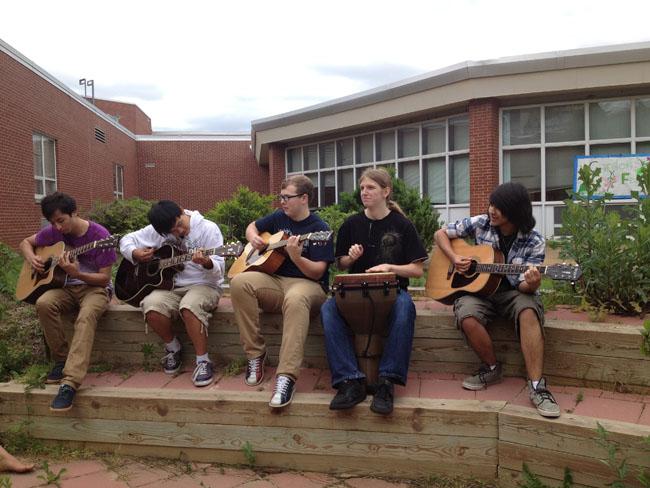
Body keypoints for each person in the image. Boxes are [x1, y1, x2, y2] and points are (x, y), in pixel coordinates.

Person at [433, 181, 560, 418]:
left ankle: (537, 387)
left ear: (514, 211)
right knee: (466, 315)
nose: (492, 210)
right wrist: (454, 257)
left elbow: (523, 285)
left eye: (498, 206)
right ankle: (492, 368)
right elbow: (440, 233)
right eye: (491, 204)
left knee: (528, 311)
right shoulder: (481, 222)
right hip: (481, 292)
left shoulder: (534, 241)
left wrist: (532, 282)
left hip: (515, 292)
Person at [320, 168, 427, 415]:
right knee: (328, 308)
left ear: (386, 192)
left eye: (370, 188)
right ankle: (349, 381)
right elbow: (341, 265)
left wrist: (390, 266)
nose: (364, 192)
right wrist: (350, 257)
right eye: (362, 188)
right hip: (356, 292)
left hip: (391, 292)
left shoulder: (402, 225)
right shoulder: (351, 224)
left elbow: (417, 269)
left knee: (405, 306)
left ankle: (387, 382)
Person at [230, 175, 334, 408]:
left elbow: (318, 272)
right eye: (281, 197)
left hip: (309, 286)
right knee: (239, 283)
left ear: (304, 198)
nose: (282, 202)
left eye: (287, 197)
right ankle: (255, 355)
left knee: (296, 298)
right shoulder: (278, 218)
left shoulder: (319, 229)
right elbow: (253, 227)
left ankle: (286, 377)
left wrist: (296, 256)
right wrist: (254, 239)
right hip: (276, 281)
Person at [19, 192, 117, 412]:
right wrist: (32, 257)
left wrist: (78, 272)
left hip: (95, 289)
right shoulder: (54, 231)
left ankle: (69, 383)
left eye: (61, 221)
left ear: (75, 213)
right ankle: (61, 360)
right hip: (64, 287)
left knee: (85, 316)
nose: (58, 227)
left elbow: (104, 279)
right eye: (53, 223)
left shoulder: (100, 236)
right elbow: (26, 242)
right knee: (44, 303)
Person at [119, 200, 225, 387]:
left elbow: (219, 270)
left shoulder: (208, 228)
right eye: (172, 232)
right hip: (171, 287)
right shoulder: (156, 230)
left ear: (181, 211)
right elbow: (126, 240)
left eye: (179, 226)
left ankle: (203, 361)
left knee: (189, 306)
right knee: (151, 305)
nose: (179, 232)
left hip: (204, 284)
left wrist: (207, 262)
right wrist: (134, 253)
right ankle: (173, 347)